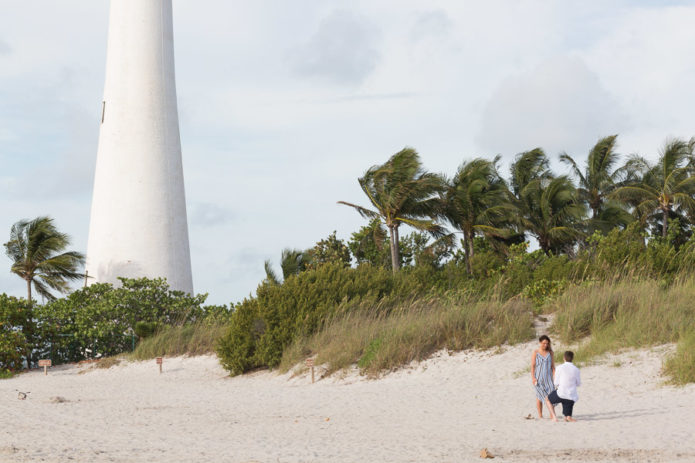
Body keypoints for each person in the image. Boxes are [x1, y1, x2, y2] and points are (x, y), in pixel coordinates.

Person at [531, 334, 558, 421]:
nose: (545, 345)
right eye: (544, 343)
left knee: (551, 397)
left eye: (547, 343)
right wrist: (533, 378)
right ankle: (540, 415)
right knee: (539, 397)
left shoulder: (550, 353)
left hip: (549, 379)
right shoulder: (535, 353)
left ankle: (552, 414)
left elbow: (553, 366)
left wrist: (555, 377)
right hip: (538, 379)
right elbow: (532, 366)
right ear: (540, 343)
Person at [548, 351, 581, 422]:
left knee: (548, 399)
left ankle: (554, 417)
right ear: (572, 358)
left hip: (561, 393)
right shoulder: (576, 369)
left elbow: (556, 382)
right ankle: (568, 416)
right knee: (567, 413)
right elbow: (578, 383)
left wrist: (558, 385)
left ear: (564, 358)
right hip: (571, 396)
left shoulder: (559, 367)